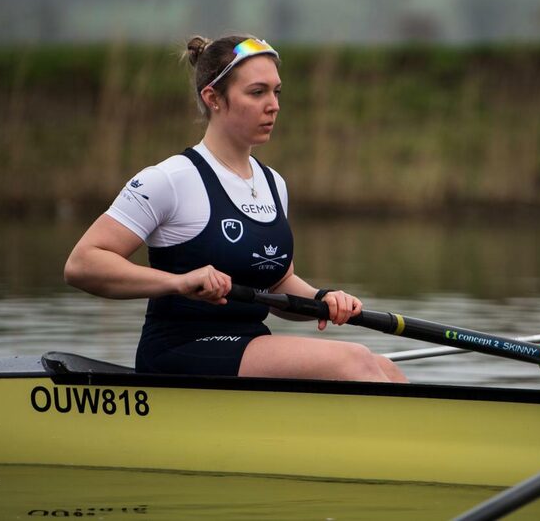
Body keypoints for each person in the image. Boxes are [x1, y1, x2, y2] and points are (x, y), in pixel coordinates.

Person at [64, 34, 406, 382]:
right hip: (180, 350)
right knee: (356, 361)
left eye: (276, 92)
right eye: (257, 92)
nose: (273, 105)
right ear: (213, 98)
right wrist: (181, 282)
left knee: (386, 368)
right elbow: (83, 264)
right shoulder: (170, 179)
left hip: (246, 346)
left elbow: (278, 283)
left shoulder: (274, 183)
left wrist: (324, 297)